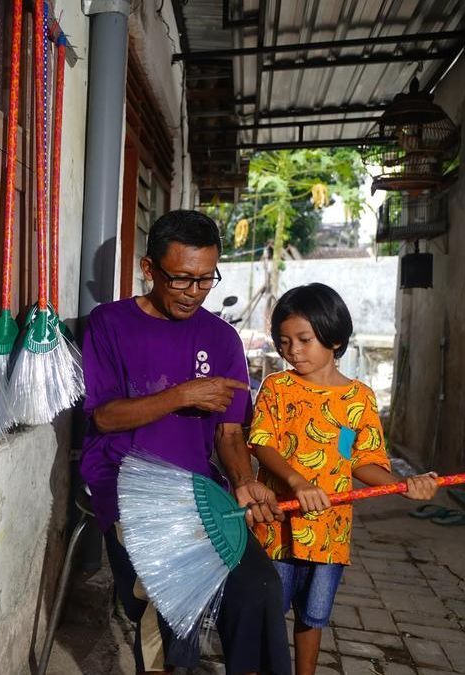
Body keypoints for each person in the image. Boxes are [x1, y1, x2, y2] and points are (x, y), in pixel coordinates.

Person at [80, 209, 292, 675]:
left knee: (258, 589)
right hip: (126, 482)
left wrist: (241, 481)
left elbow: (230, 433)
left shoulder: (221, 339)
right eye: (181, 279)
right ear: (149, 268)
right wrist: (182, 394)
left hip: (197, 489)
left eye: (205, 279)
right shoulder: (109, 323)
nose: (194, 292)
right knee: (172, 598)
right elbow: (105, 417)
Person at [248, 283, 439, 675]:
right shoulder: (277, 388)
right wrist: (296, 481)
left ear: (335, 339)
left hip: (329, 531)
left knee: (313, 616)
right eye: (284, 342)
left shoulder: (359, 399)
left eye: (304, 339)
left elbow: (362, 461)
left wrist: (403, 485)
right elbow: (261, 443)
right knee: (266, 615)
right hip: (277, 525)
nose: (292, 351)